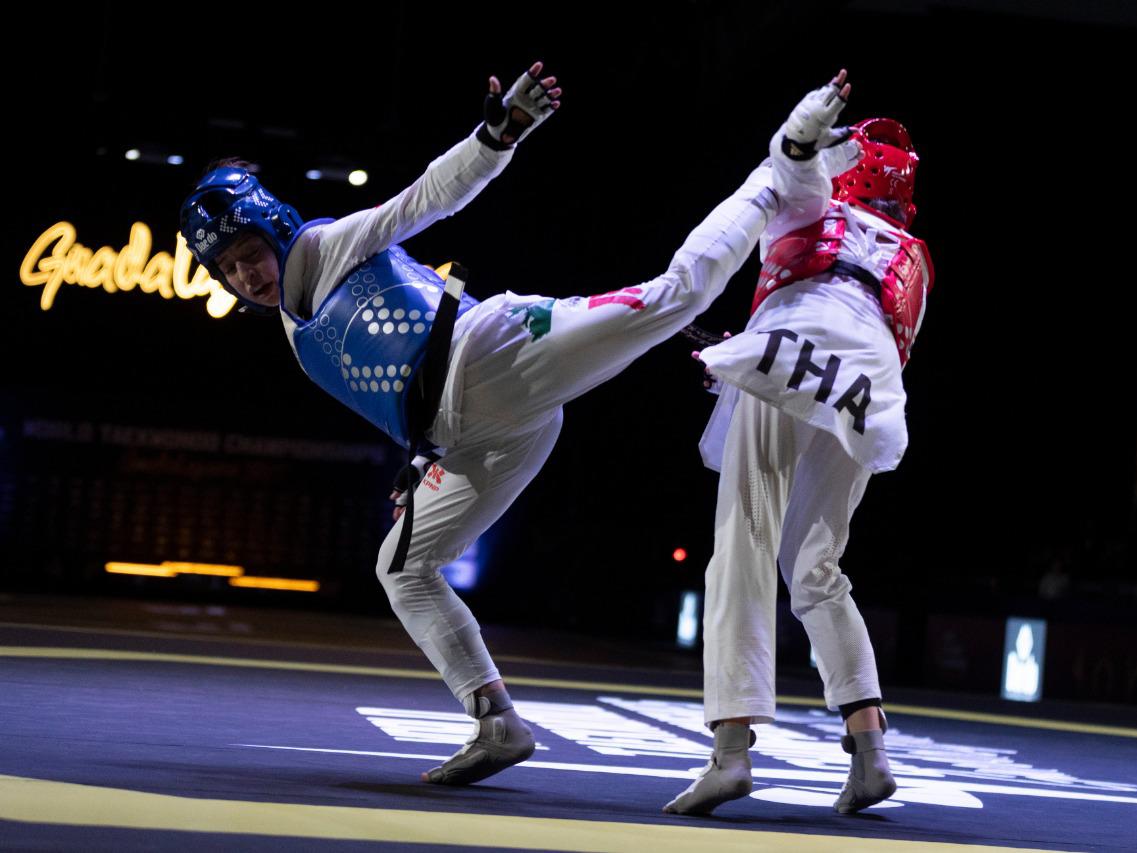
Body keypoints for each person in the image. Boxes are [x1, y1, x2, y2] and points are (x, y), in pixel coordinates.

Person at [179, 62, 780, 788]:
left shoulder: (331, 244)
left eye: (247, 255)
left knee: (671, 299)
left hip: (497, 354)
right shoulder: (293, 332)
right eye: (228, 270)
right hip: (476, 435)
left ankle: (775, 176)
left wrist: (498, 137)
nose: (245, 276)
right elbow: (390, 384)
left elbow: (427, 197)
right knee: (401, 567)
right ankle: (497, 722)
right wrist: (415, 466)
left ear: (272, 228)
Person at [663, 70, 935, 817]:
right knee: (815, 563)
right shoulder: (912, 254)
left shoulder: (815, 200)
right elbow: (851, 313)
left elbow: (794, 166)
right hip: (872, 384)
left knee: (744, 541)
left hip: (793, 343)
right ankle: (871, 745)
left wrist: (804, 135)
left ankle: (731, 751)